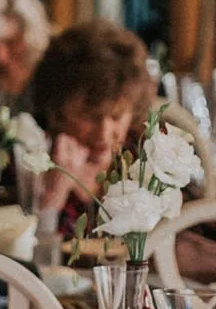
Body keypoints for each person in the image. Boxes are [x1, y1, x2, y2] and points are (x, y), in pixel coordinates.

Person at [29, 19, 154, 233]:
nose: (104, 134)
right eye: (90, 117)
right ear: (57, 109)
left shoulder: (144, 154)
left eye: (116, 116)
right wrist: (53, 197)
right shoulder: (30, 159)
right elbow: (25, 249)